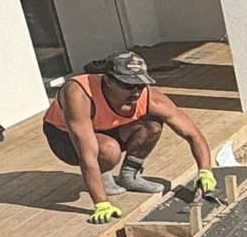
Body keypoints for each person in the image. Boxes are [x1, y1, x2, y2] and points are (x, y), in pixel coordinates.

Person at [42, 51, 216, 224]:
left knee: (152, 124)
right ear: (108, 80)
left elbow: (193, 134)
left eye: (140, 84)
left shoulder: (151, 97)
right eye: (128, 84)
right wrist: (101, 203)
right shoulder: (79, 94)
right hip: (63, 136)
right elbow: (86, 155)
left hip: (107, 126)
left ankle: (129, 176)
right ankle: (103, 174)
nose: (136, 91)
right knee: (108, 150)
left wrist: (205, 170)